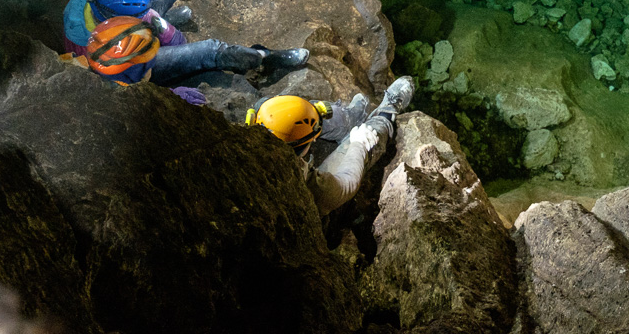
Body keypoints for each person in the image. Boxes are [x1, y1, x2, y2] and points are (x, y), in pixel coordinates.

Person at [247, 76, 415, 214]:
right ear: (309, 143)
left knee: (293, 112)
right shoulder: (311, 185)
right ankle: (385, 115)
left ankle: (351, 118)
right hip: (308, 205)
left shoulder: (248, 140)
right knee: (368, 135)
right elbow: (347, 184)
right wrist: (359, 144)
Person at [76, 14, 310, 89]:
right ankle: (261, 58)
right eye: (146, 61)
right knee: (211, 62)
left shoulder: (104, 65)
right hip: (145, 91)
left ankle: (262, 57)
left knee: (209, 54)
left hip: (130, 79)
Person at [62, 0, 190, 56]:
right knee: (175, 46)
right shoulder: (99, 51)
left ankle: (163, 20)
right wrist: (178, 42)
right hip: (129, 58)